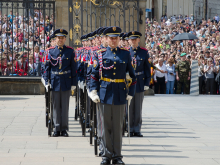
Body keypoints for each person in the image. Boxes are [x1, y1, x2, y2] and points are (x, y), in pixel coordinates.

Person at [90, 26, 136, 165]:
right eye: (111, 38)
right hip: (104, 93)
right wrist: (93, 91)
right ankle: (106, 155)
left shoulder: (125, 54)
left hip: (120, 93)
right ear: (106, 39)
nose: (113, 40)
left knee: (118, 126)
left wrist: (131, 94)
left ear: (118, 39)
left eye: (116, 38)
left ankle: (117, 156)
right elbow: (94, 75)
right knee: (105, 127)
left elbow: (133, 77)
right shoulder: (100, 54)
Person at [43, 29, 77, 137]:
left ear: (65, 39)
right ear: (55, 39)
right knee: (56, 106)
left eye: (62, 38)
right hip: (55, 80)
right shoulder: (50, 51)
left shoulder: (70, 51)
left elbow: (73, 68)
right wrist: (46, 81)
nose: (60, 40)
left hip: (66, 80)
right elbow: (47, 68)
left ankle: (64, 129)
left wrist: (74, 83)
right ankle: (56, 128)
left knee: (65, 106)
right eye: (58, 38)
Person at [127, 31, 151, 137]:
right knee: (129, 107)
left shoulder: (144, 52)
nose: (133, 41)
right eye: (131, 40)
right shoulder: (126, 52)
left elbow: (147, 69)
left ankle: (137, 129)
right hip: (129, 82)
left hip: (140, 81)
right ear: (129, 41)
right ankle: (129, 128)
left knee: (138, 107)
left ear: (138, 40)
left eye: (135, 39)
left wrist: (147, 82)